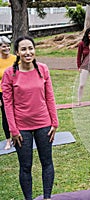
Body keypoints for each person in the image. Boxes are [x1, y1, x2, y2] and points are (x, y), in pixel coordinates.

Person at [2, 36, 59, 200]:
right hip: (22, 128)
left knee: (47, 162)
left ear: (35, 50)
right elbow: (7, 104)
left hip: (44, 124)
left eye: (30, 48)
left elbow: (50, 97)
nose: (28, 52)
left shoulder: (43, 69)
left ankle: (47, 197)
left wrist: (54, 122)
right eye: (23, 49)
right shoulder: (10, 74)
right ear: (17, 53)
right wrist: (13, 130)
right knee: (25, 166)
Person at [0, 36, 16, 150]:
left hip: (17, 91)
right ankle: (8, 140)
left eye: (8, 45)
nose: (7, 48)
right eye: (4, 46)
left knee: (19, 113)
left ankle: (19, 135)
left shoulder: (15, 59)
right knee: (6, 116)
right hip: (3, 92)